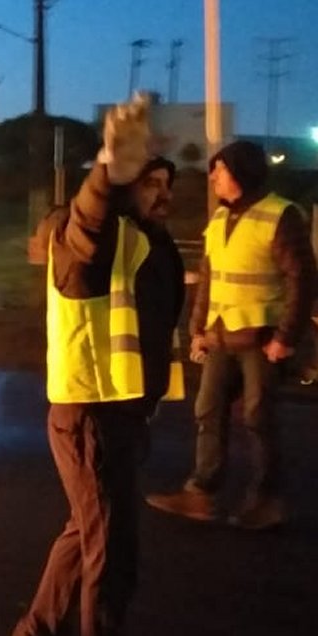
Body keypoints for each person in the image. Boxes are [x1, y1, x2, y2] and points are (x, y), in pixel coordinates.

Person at [13, 96, 185, 636]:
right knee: (112, 554)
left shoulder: (148, 240)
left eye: (167, 185)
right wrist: (108, 173)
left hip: (121, 414)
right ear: (126, 187)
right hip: (93, 415)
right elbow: (89, 228)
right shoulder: (88, 237)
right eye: (151, 184)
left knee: (86, 533)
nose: (163, 195)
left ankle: (36, 629)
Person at [146, 140, 317, 530]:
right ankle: (201, 493)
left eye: (219, 170)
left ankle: (267, 499)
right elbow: (210, 278)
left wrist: (286, 337)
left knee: (259, 418)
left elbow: (303, 278)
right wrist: (198, 329)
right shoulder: (220, 218)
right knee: (207, 410)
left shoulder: (280, 215)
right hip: (221, 337)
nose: (213, 177)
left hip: (263, 338)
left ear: (240, 172)